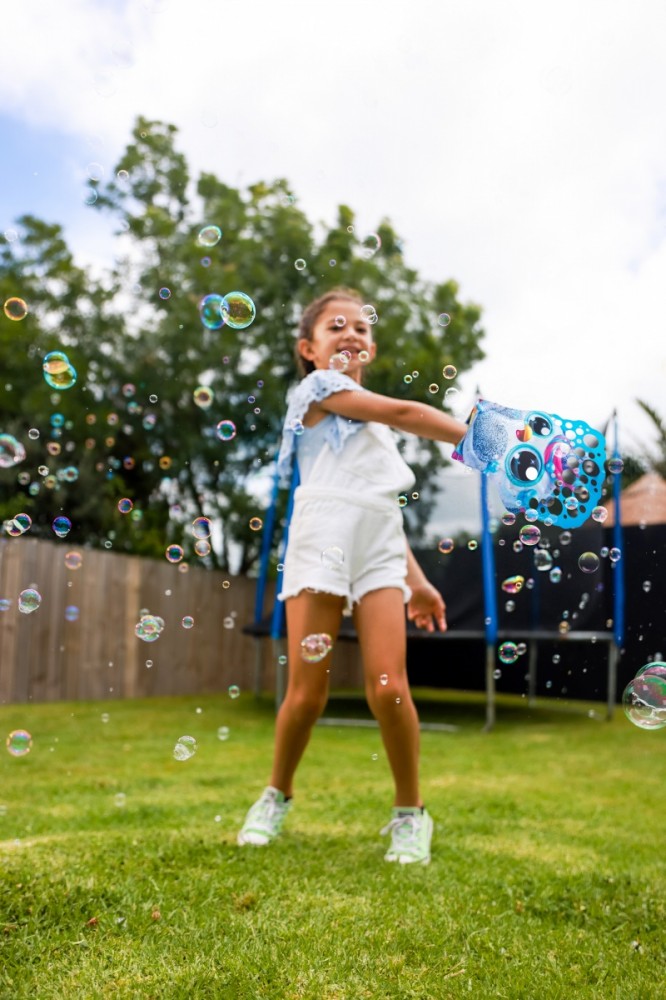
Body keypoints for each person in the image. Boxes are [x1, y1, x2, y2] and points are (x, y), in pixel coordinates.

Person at [237, 288, 468, 864]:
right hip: (321, 542)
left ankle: (411, 814)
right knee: (307, 695)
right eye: (336, 326)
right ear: (308, 349)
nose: (352, 334)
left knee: (389, 688)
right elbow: (404, 411)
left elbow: (381, 504)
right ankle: (276, 793)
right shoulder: (317, 392)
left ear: (371, 346)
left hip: (379, 551)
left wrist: (416, 579)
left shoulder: (373, 431)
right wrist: (474, 438)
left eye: (362, 328)